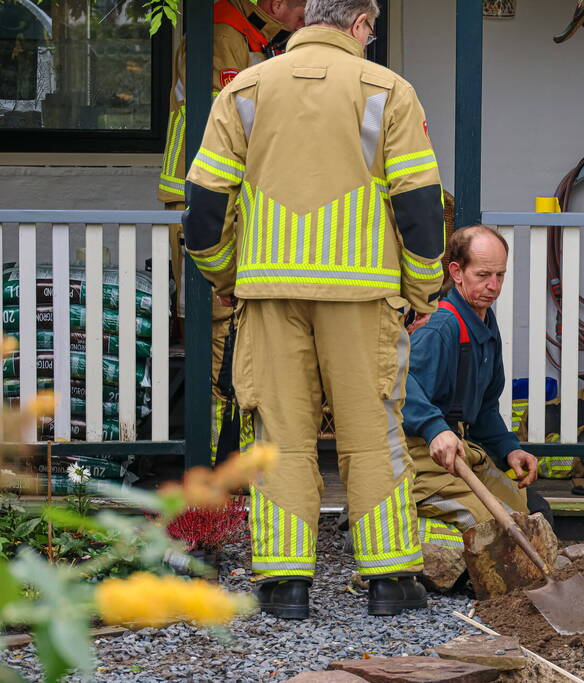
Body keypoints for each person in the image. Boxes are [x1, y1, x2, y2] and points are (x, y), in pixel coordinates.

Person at [181, 0, 445, 619]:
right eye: (371, 29)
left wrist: (226, 275)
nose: (370, 38)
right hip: (363, 296)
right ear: (358, 24)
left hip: (270, 294)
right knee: (373, 434)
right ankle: (389, 581)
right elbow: (419, 205)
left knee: (279, 437)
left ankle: (284, 586)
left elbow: (203, 208)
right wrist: (422, 291)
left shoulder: (243, 90)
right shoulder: (389, 90)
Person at [158, 0, 306, 465]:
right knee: (220, 333)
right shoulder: (223, 36)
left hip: (226, 202)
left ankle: (233, 459)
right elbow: (234, 127)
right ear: (277, 4)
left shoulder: (256, 37)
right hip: (208, 204)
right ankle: (215, 466)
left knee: (237, 335)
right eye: (304, 10)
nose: (308, 20)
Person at [403, 226, 544, 550]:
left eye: (500, 275)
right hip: (420, 456)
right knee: (495, 529)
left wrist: (510, 449)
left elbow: (485, 409)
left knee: (526, 515)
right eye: (483, 275)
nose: (493, 286)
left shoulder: (485, 324)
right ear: (457, 272)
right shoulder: (440, 328)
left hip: (462, 450)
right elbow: (401, 389)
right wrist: (434, 429)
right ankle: (396, 529)